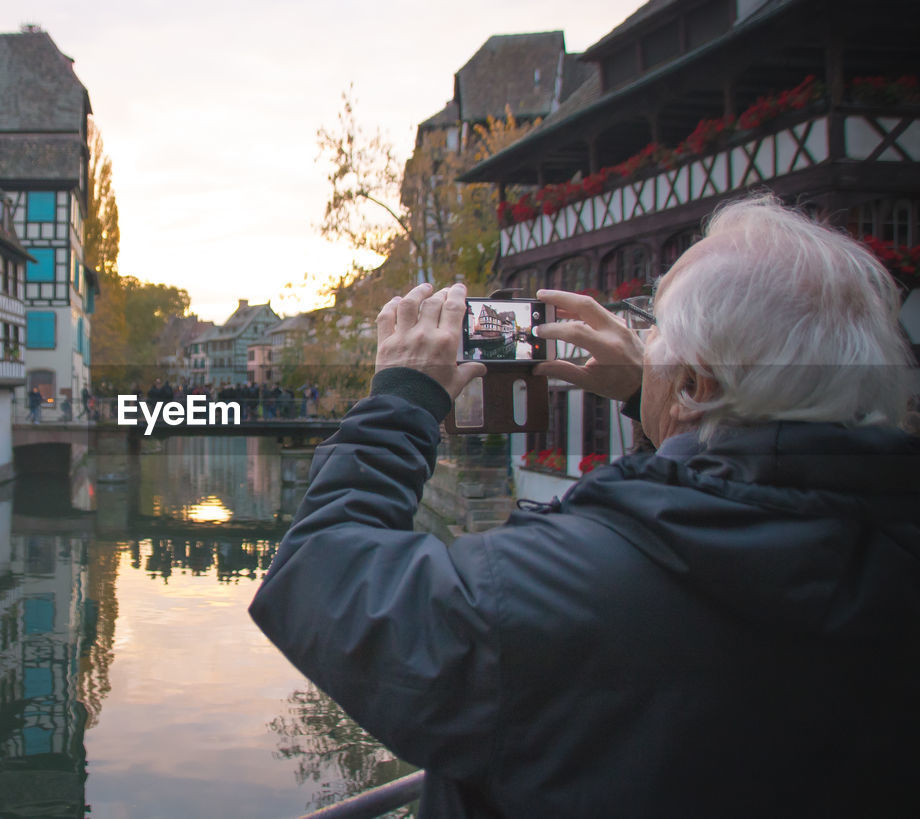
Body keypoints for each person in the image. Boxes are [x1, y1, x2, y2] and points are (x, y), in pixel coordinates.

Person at [249, 196, 920, 818]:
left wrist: (401, 400)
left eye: (654, 333)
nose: (639, 344)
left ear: (696, 381)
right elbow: (751, 492)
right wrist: (661, 402)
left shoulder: (554, 592)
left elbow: (320, 575)